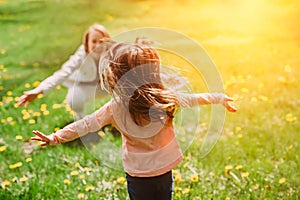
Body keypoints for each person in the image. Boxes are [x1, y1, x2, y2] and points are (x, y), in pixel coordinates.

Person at [31, 43, 237, 200]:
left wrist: (56, 137)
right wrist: (218, 97)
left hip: (139, 176)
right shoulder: (163, 97)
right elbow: (193, 99)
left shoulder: (116, 106)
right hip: (164, 170)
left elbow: (86, 124)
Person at [18, 24, 115, 119]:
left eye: (101, 41)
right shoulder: (81, 55)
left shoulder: (113, 52)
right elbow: (63, 73)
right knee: (74, 99)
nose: (98, 45)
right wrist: (39, 90)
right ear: (87, 43)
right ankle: (83, 120)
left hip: (105, 87)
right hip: (85, 86)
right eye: (93, 41)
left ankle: (123, 115)